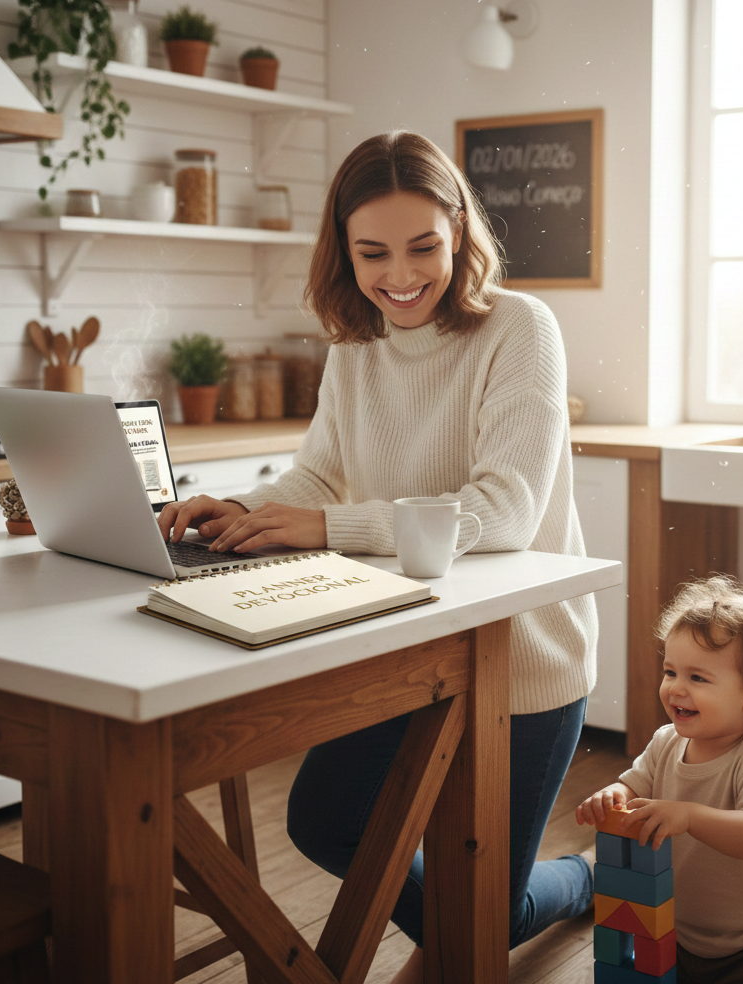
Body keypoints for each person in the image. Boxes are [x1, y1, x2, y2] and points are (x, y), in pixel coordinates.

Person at [158, 130, 599, 982]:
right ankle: (478, 924)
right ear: (343, 249)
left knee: (487, 913)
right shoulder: (355, 345)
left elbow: (505, 512)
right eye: (373, 253)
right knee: (327, 822)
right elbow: (321, 474)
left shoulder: (520, 328)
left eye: (423, 246)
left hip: (521, 657)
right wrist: (244, 510)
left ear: (460, 229)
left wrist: (328, 528)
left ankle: (581, 878)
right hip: (401, 650)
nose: (400, 275)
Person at [576, 575, 743, 984]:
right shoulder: (665, 742)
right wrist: (612, 795)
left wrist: (689, 816)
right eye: (671, 672)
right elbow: (634, 785)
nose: (676, 689)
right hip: (679, 935)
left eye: (697, 678)